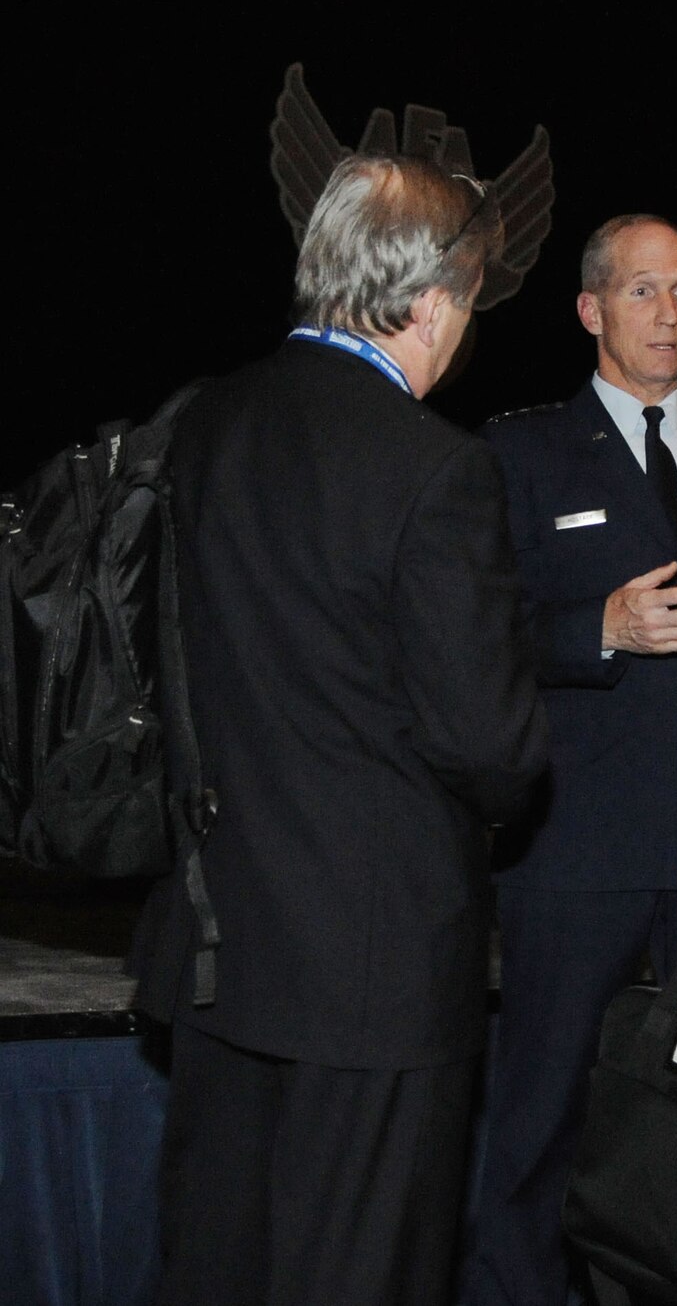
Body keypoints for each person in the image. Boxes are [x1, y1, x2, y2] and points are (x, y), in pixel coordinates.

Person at [128, 154, 549, 1306]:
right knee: (361, 1274)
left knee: (219, 1264)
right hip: (374, 972)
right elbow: (492, 747)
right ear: (429, 304)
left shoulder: (203, 423)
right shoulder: (437, 471)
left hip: (219, 946)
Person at [467, 214, 677, 1306]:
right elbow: (478, 642)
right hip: (579, 851)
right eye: (645, 292)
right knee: (543, 1125)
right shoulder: (516, 453)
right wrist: (599, 627)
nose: (671, 314)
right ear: (590, 310)